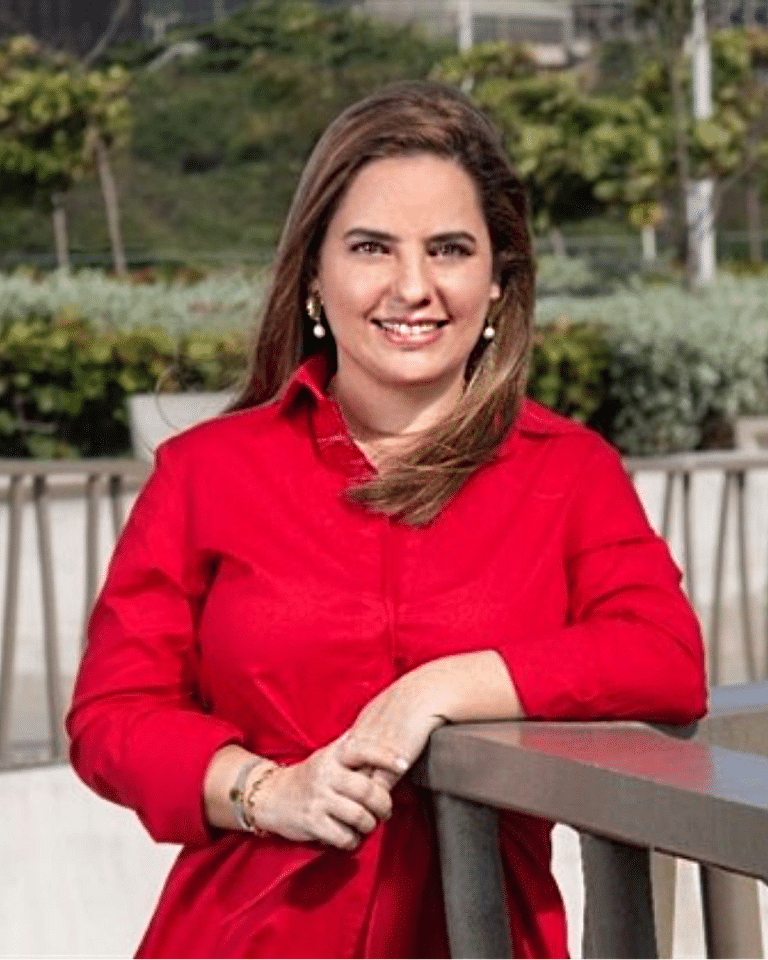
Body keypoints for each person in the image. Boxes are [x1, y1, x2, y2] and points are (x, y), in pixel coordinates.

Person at [66, 80, 707, 959]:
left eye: (450, 249)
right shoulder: (204, 473)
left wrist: (439, 689)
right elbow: (112, 715)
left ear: (498, 281)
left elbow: (664, 654)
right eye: (372, 247)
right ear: (314, 275)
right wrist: (264, 790)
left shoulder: (570, 472)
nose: (413, 286)